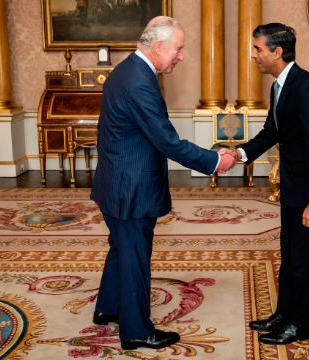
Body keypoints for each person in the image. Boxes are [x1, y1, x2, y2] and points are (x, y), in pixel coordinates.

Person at [90, 16, 236, 350]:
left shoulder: (126, 69)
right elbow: (168, 142)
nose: (181, 56)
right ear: (158, 47)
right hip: (131, 188)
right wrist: (215, 161)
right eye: (178, 49)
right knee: (134, 258)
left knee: (121, 249)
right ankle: (137, 331)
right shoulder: (140, 82)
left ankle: (109, 308)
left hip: (116, 181)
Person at [225, 23, 309, 345]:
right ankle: (283, 314)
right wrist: (240, 153)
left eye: (258, 49)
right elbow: (271, 132)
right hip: (293, 183)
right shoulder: (279, 86)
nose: (253, 55)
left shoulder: (306, 88)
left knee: (302, 257)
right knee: (289, 254)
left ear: (277, 52)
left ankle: (298, 325)